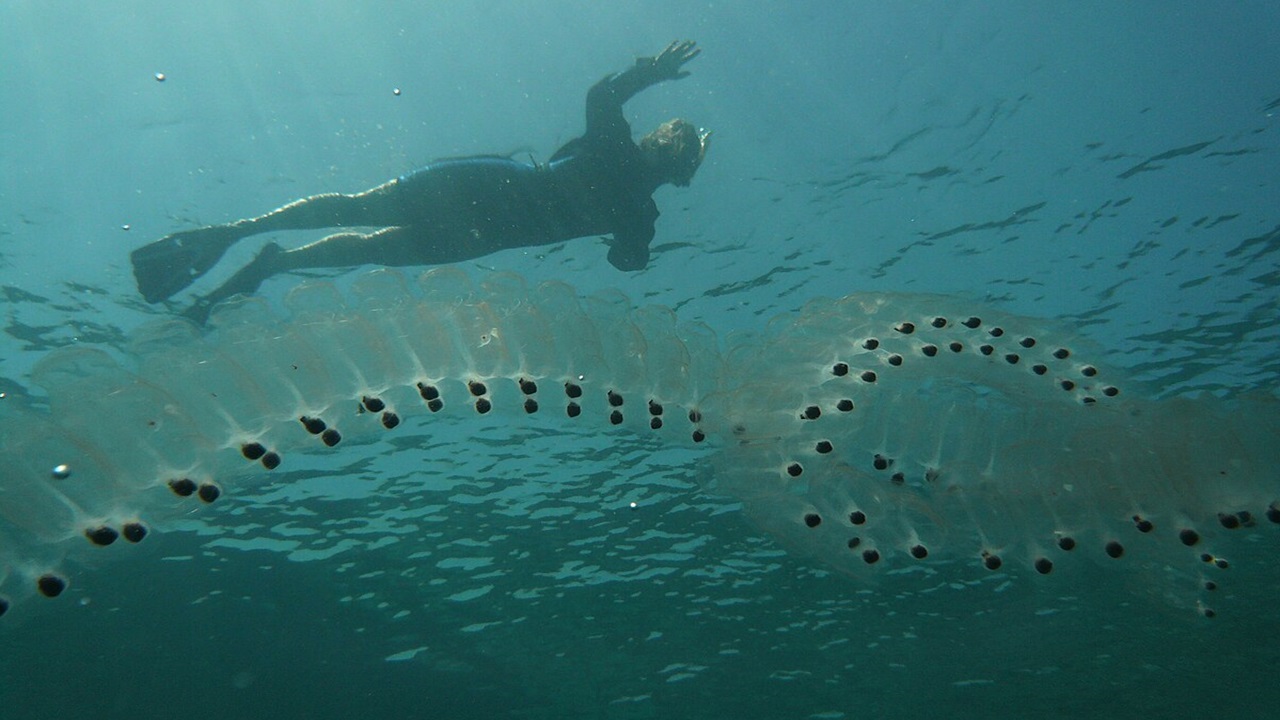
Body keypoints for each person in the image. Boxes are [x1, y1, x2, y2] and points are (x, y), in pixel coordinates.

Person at [130, 40, 709, 323]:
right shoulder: (633, 192)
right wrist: (646, 73)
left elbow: (626, 257)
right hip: (482, 211)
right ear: (683, 172)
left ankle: (254, 246)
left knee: (363, 229)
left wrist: (646, 74)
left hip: (480, 206)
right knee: (363, 228)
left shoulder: (633, 194)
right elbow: (626, 260)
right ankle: (254, 247)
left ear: (667, 152)